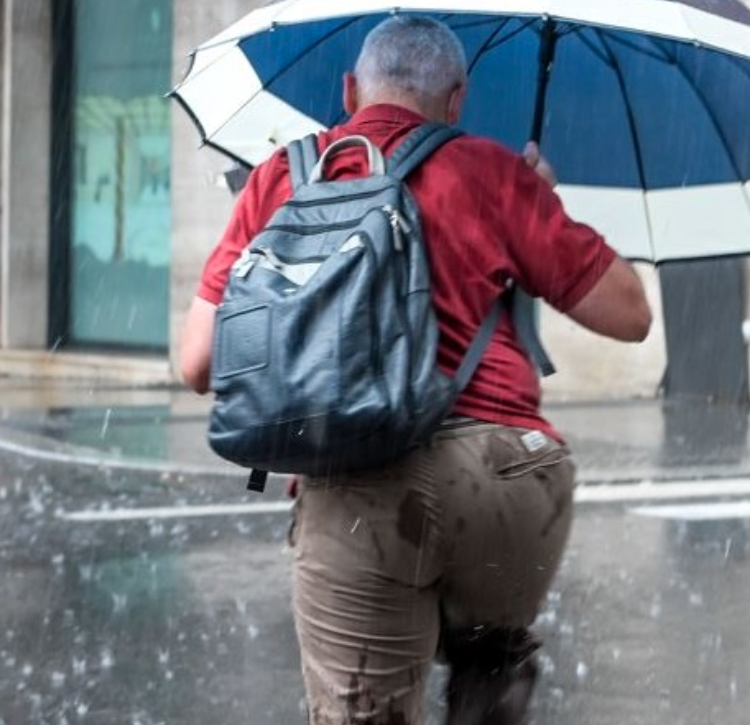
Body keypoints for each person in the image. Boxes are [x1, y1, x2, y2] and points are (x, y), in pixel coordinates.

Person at [177, 15, 652, 725]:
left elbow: (198, 363)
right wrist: (540, 202)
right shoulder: (492, 172)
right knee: (490, 656)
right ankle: (488, 665)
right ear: (456, 100)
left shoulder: (282, 177)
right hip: (506, 477)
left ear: (349, 91)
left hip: (358, 487)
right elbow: (630, 313)